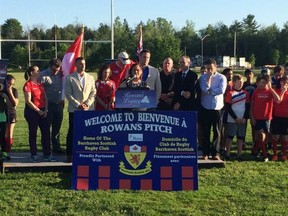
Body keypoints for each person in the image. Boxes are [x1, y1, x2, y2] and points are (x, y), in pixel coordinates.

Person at [65, 57, 96, 162]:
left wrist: (87, 103)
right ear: (76, 65)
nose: (83, 66)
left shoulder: (90, 77)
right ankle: (70, 154)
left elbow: (93, 92)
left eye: (84, 63)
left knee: (87, 132)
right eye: (80, 64)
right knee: (72, 132)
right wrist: (78, 105)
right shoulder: (69, 78)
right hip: (75, 110)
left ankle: (86, 152)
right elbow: (68, 94)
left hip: (88, 110)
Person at [23, 65, 57, 162]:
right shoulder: (28, 85)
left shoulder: (40, 84)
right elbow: (28, 101)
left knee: (46, 132)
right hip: (32, 111)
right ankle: (34, 154)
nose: (39, 72)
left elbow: (45, 98)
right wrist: (38, 111)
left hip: (43, 111)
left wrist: (45, 110)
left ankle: (47, 154)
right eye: (37, 70)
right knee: (33, 133)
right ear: (31, 73)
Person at [199, 59, 227, 160]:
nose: (209, 70)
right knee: (206, 131)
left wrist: (210, 91)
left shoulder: (221, 77)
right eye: (208, 68)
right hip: (205, 107)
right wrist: (209, 78)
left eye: (211, 68)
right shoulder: (202, 78)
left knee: (217, 131)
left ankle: (215, 153)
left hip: (217, 108)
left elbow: (221, 90)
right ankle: (205, 152)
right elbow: (204, 89)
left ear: (216, 67)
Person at [250, 74, 280, 162]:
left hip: (266, 118)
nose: (261, 84)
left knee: (264, 137)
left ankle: (255, 150)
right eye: (260, 82)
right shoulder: (256, 91)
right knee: (260, 135)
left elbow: (278, 100)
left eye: (263, 82)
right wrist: (252, 116)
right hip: (257, 117)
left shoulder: (270, 92)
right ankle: (265, 155)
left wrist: (271, 89)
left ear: (268, 83)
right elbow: (252, 104)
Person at [39, 58, 65, 154]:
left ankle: (56, 147)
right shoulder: (42, 75)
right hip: (48, 105)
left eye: (58, 70)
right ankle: (46, 148)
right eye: (54, 70)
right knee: (46, 128)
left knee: (57, 127)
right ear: (50, 66)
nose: (56, 72)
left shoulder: (61, 74)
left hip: (59, 104)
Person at [224, 75, 250, 161]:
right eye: (239, 82)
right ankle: (227, 153)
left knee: (240, 137)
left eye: (242, 82)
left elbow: (247, 107)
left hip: (242, 120)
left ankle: (239, 154)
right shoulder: (230, 93)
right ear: (234, 83)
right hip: (232, 119)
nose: (241, 84)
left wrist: (245, 118)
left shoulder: (245, 93)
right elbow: (228, 107)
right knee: (230, 136)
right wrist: (235, 118)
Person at [271, 76, 288, 161]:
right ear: (280, 82)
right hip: (276, 117)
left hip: (286, 118)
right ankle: (275, 154)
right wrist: (283, 91)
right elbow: (278, 101)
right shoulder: (276, 91)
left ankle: (284, 154)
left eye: (286, 82)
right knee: (275, 136)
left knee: (285, 137)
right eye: (283, 81)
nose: (285, 83)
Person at [1, 74, 18, 159]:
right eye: (9, 83)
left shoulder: (14, 90)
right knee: (4, 133)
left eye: (12, 84)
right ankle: (4, 151)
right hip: (3, 113)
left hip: (11, 113)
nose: (11, 85)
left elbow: (15, 104)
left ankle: (7, 151)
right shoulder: (2, 90)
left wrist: (10, 92)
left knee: (10, 133)